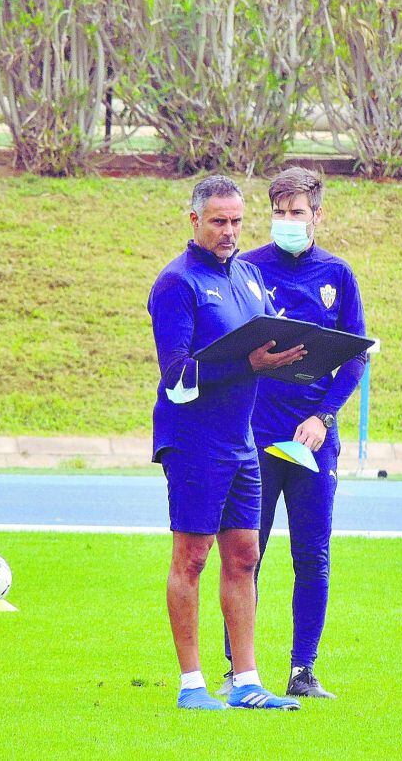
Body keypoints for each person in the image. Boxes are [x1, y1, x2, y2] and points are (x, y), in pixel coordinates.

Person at [148, 175, 305, 711]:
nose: (229, 231)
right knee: (192, 556)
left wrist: (294, 360)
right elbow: (175, 373)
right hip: (193, 440)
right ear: (194, 220)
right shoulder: (176, 283)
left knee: (245, 555)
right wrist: (247, 364)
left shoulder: (250, 276)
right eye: (218, 221)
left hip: (241, 439)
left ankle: (246, 682)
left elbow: (259, 349)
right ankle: (192, 685)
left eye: (237, 221)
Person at [214, 167, 366, 699]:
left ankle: (303, 670)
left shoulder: (338, 275)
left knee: (313, 554)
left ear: (317, 215)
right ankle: (239, 667)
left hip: (312, 438)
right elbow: (231, 347)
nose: (287, 221)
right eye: (278, 212)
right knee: (245, 553)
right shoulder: (246, 269)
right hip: (255, 435)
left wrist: (323, 417)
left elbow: (353, 360)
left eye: (296, 212)